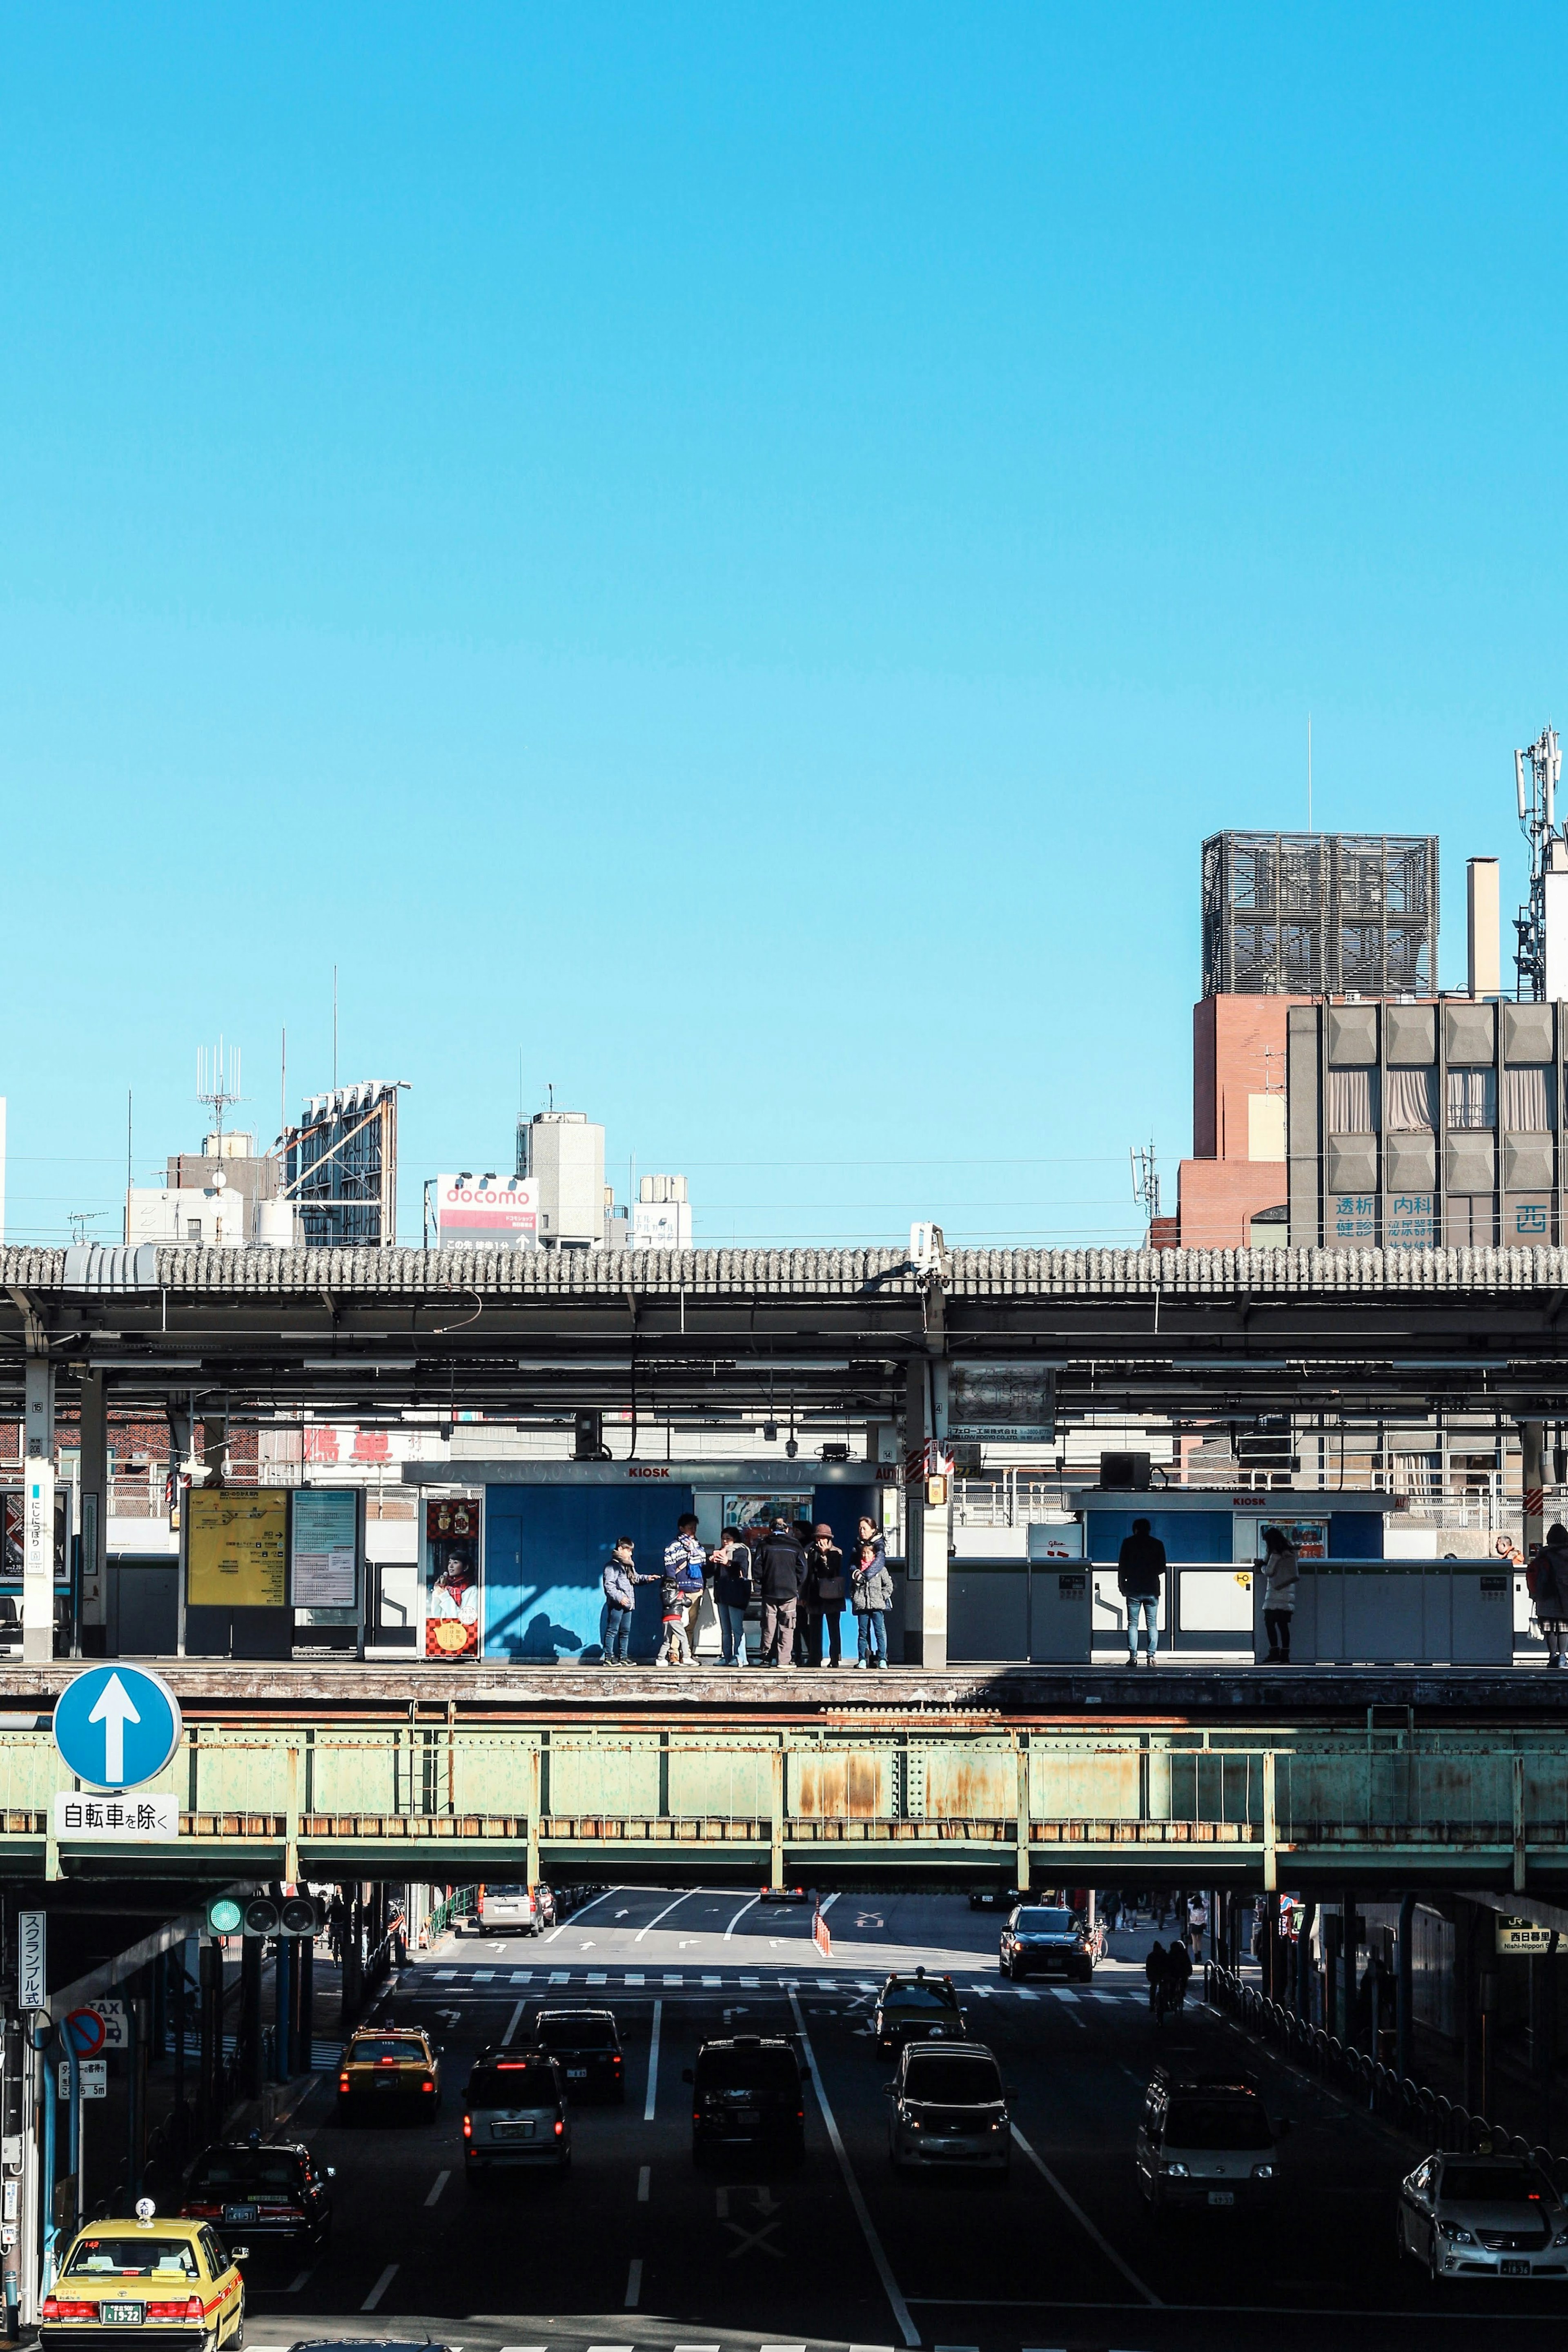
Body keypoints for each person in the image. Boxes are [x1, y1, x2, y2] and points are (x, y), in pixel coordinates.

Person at [754, 1516, 808, 1668]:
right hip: (789, 1592)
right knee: (787, 1626)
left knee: (768, 1625)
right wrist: (796, 1583)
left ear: (771, 1530)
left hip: (769, 1591)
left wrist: (762, 1582)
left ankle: (766, 1658)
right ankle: (784, 1660)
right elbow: (803, 1569)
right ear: (787, 1530)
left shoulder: (764, 1544)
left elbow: (757, 1567)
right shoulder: (795, 1545)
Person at [1116, 1517, 1166, 1666]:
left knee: (1133, 1624)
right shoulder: (1158, 1544)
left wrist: (1122, 1586)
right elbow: (1162, 1568)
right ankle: (1151, 1657)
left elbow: (1122, 1567)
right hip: (1151, 1589)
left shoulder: (1128, 1543)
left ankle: (1133, 1657)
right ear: (1149, 1529)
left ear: (1135, 1529)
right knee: (1152, 1624)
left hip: (1133, 1588)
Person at [600, 1537, 653, 1666]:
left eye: (631, 1551)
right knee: (613, 1629)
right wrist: (620, 1598)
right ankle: (609, 1657)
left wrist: (648, 1578)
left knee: (625, 1631)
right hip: (617, 1605)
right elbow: (609, 1586)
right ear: (620, 1549)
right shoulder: (612, 1566)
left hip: (628, 1605)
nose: (631, 1554)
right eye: (628, 1551)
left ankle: (623, 1656)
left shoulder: (628, 1566)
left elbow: (635, 1579)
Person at [851, 1520, 893, 1668]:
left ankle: (882, 1659)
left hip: (877, 1604)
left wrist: (882, 1596)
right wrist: (855, 1596)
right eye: (860, 1528)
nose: (861, 1531)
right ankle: (863, 1659)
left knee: (880, 1631)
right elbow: (853, 1584)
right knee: (863, 1632)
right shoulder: (857, 1568)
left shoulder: (880, 1565)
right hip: (862, 1604)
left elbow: (889, 1585)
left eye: (865, 1528)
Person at [664, 1512, 708, 1650]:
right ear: (682, 1528)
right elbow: (670, 1567)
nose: (693, 1530)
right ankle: (674, 1654)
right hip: (680, 1592)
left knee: (690, 1626)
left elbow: (704, 1568)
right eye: (690, 1527)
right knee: (679, 1625)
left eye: (695, 1527)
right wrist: (673, 1587)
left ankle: (686, 1654)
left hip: (696, 1590)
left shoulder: (699, 1547)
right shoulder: (674, 1546)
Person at [712, 1527, 754, 1668]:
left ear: (735, 1539)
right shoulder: (721, 1551)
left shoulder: (741, 1550)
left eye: (728, 1538)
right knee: (725, 1629)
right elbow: (712, 1573)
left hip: (737, 1594)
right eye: (723, 1538)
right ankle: (726, 1656)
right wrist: (711, 1562)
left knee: (737, 1628)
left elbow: (742, 1570)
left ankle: (740, 1657)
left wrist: (728, 1563)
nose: (725, 1541)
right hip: (723, 1594)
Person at [1258, 1525, 1300, 1663]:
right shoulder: (1292, 1553)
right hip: (1288, 1595)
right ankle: (1285, 1655)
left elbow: (1269, 1572)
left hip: (1275, 1595)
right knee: (1283, 1626)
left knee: (1270, 1623)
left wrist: (1262, 1566)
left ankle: (1274, 1652)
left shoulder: (1275, 1554)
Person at [806, 1525, 847, 1667]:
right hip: (815, 1594)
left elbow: (831, 1572)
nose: (820, 1540)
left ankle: (834, 1658)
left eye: (823, 1537)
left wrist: (825, 1556)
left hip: (832, 1595)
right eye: (818, 1537)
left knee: (833, 1628)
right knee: (815, 1628)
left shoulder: (836, 1553)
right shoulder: (810, 1551)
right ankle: (814, 1659)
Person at [1533, 1522, 1568, 1668]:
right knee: (1564, 1627)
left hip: (1546, 1594)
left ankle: (1552, 1656)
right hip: (1565, 1594)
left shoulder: (1543, 1553)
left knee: (1549, 1628)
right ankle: (1563, 1656)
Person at [1165, 1935, 1193, 2011]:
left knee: (1172, 1987)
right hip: (1183, 1973)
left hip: (1174, 1974)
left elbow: (1168, 1965)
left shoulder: (1171, 1954)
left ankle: (1171, 2000)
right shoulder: (1184, 1954)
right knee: (1184, 1982)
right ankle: (1182, 1992)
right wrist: (1190, 1972)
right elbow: (1188, 1963)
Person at [1145, 1938, 1169, 2012]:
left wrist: (1149, 1977)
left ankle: (1152, 2005)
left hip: (1154, 1976)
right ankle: (1166, 2004)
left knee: (1153, 1988)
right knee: (1165, 1989)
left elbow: (1148, 1968)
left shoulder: (1151, 1956)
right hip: (1163, 1975)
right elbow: (1169, 1966)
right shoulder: (1165, 1955)